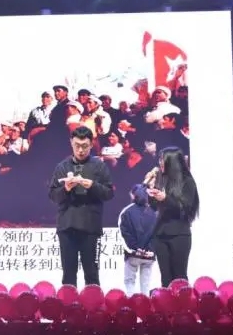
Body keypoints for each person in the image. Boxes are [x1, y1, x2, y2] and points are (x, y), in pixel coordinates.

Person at [48, 126, 115, 287]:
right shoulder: (62, 167)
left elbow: (109, 193)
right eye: (77, 145)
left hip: (90, 227)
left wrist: (92, 185)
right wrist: (66, 188)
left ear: (91, 144)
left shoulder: (99, 166)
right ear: (71, 143)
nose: (80, 150)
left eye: (84, 146)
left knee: (92, 274)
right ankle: (69, 302)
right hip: (67, 226)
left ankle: (93, 303)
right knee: (68, 275)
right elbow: (53, 196)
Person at [147, 146, 199, 288]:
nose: (160, 163)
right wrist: (152, 192)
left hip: (179, 234)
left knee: (179, 276)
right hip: (160, 234)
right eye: (159, 159)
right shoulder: (161, 179)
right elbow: (154, 206)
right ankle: (166, 301)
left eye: (162, 159)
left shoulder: (187, 182)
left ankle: (183, 301)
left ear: (172, 161)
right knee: (165, 278)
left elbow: (185, 208)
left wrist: (165, 198)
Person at [119, 184, 158, 296]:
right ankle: (145, 306)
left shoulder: (126, 211)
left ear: (133, 195)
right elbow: (157, 234)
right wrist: (152, 251)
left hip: (133, 254)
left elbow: (124, 233)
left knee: (129, 282)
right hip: (149, 256)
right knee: (145, 286)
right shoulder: (153, 212)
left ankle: (131, 305)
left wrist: (135, 249)